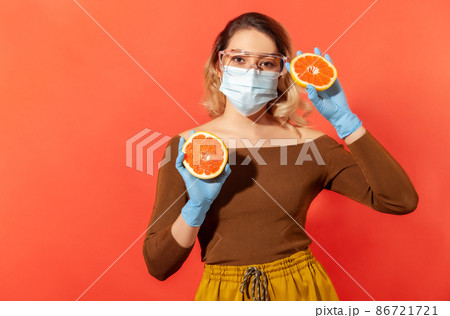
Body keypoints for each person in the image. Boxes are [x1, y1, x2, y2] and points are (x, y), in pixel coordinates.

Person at [142, 12, 419, 301]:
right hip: (223, 297)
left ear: (280, 73)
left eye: (265, 63)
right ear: (218, 65)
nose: (252, 72)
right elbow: (158, 265)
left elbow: (399, 200)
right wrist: (195, 209)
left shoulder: (312, 146)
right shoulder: (189, 147)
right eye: (239, 59)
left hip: (303, 290)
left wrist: (348, 125)